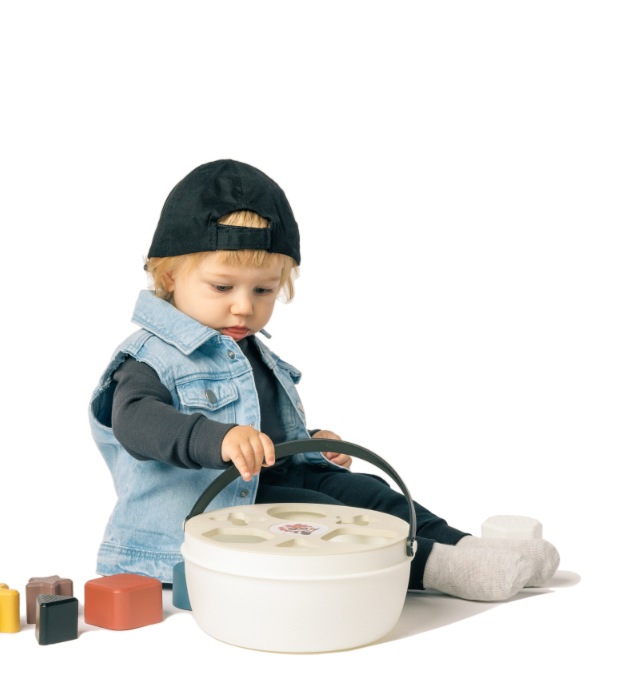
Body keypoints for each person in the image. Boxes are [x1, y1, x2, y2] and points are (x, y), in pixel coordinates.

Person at [89, 159, 559, 601]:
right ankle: (442, 569)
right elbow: (135, 422)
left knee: (369, 492)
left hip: (271, 483)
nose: (244, 306)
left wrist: (310, 443)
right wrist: (219, 439)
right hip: (208, 517)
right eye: (222, 287)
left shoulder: (249, 350)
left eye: (263, 290)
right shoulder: (150, 356)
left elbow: (268, 437)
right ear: (170, 275)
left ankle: (469, 547)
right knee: (330, 523)